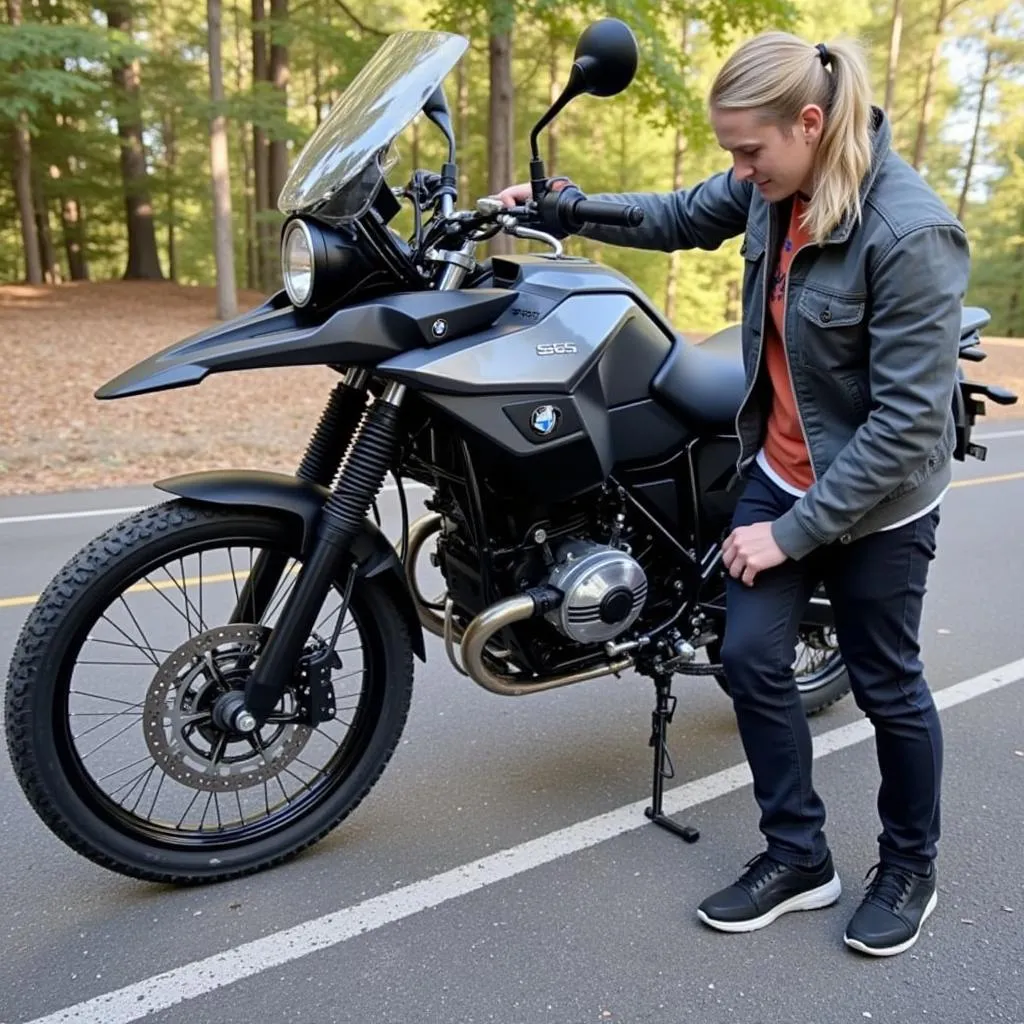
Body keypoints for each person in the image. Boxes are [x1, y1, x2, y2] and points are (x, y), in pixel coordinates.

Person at [497, 30, 968, 957]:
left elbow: (908, 426)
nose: (740, 170)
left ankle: (910, 865)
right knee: (751, 656)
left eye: (750, 151)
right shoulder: (773, 190)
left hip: (878, 502)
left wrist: (793, 535)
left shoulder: (912, 233)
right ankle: (799, 856)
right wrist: (563, 205)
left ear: (810, 122)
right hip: (784, 467)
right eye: (732, 154)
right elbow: (676, 213)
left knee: (888, 685)